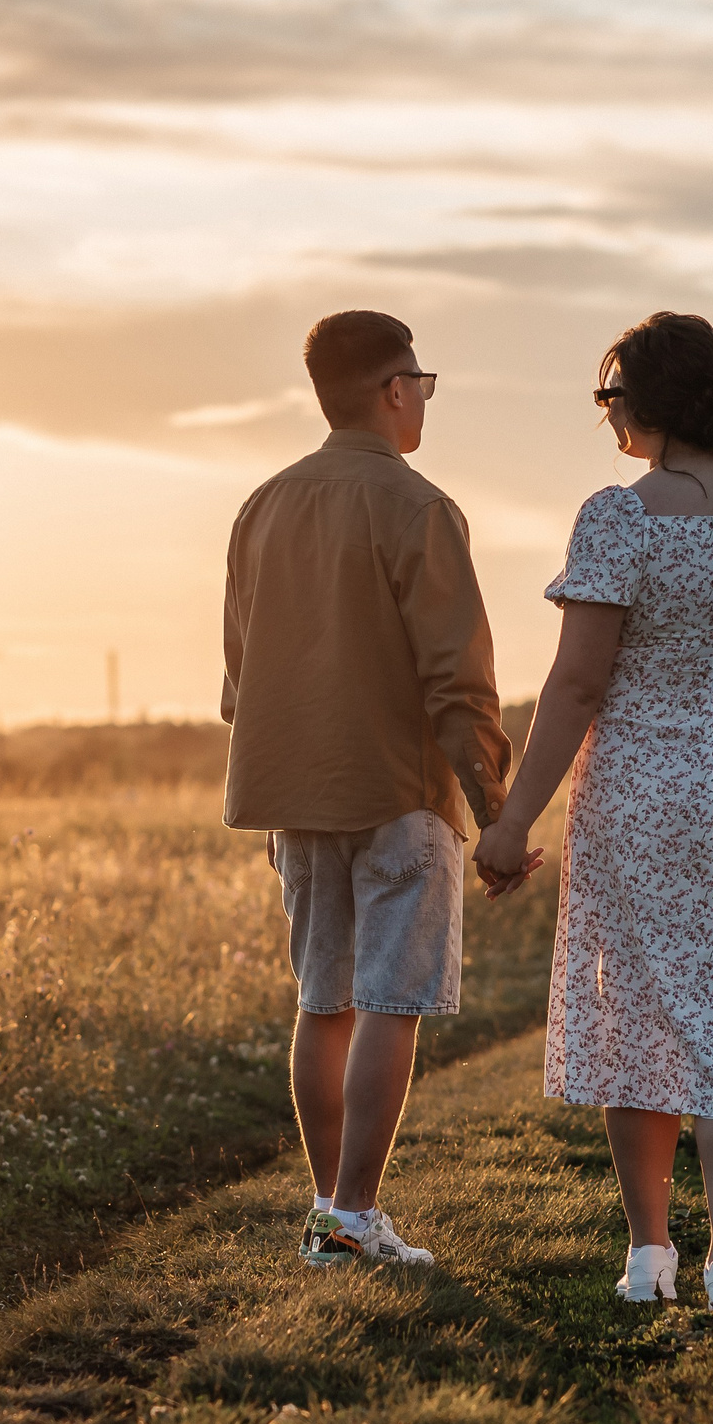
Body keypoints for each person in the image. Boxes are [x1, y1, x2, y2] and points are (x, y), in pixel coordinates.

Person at [474, 311, 713, 1310]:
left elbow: (574, 687)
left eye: (610, 397)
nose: (605, 417)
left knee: (637, 1007)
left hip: (636, 797)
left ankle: (649, 1252)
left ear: (644, 404)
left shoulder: (619, 517)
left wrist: (514, 819)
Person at [222, 309, 512, 1267]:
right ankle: (353, 1211)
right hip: (399, 791)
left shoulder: (262, 506)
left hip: (295, 795)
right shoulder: (420, 509)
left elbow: (238, 677)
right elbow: (458, 685)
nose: (425, 399)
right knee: (391, 1001)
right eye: (421, 383)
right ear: (394, 389)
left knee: (324, 1000)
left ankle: (328, 1212)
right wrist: (496, 811)